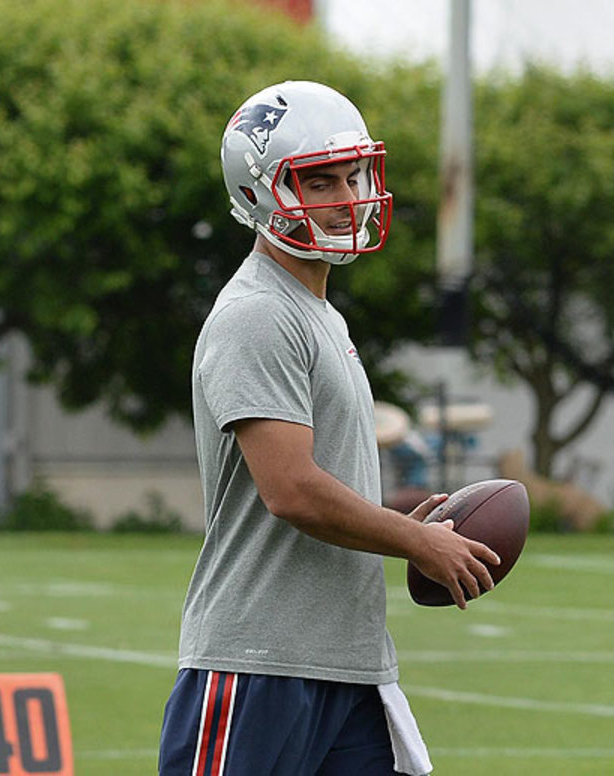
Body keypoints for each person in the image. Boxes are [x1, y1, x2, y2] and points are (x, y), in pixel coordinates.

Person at [157, 81, 500, 776]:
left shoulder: (317, 312)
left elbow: (322, 482)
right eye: (318, 181)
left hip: (343, 664)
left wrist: (405, 519)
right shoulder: (258, 312)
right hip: (259, 662)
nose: (346, 195)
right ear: (259, 194)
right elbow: (291, 491)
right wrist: (414, 542)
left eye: (352, 174)